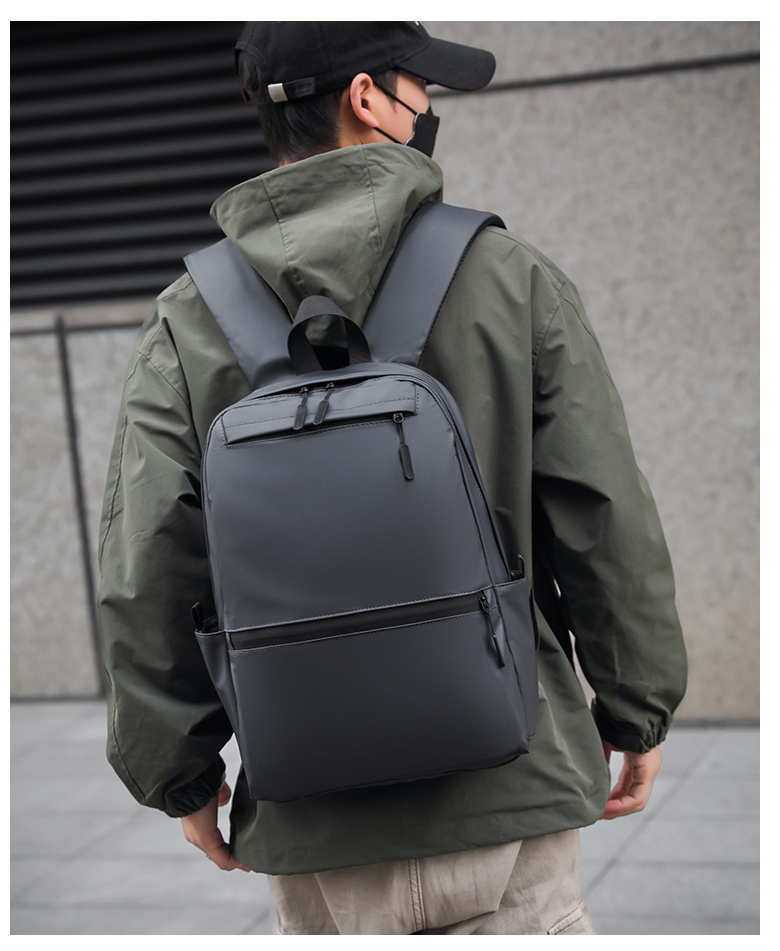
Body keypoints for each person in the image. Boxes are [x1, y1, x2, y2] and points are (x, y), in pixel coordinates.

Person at [97, 21, 687, 935]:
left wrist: (179, 773)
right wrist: (636, 706)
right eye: (421, 90)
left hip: (312, 813)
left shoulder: (187, 319)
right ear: (367, 97)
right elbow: (602, 511)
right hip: (511, 778)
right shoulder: (506, 275)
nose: (425, 111)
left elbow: (147, 564)